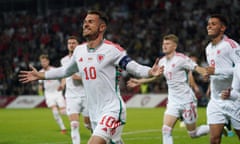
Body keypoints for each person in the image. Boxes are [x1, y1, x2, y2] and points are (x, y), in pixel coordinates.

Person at [19, 10, 164, 144]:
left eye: (90, 21)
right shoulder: (79, 51)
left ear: (102, 27)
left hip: (112, 109)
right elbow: (65, 71)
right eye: (85, 21)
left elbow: (135, 68)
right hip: (94, 112)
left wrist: (150, 72)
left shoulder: (112, 50)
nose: (85, 24)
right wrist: (40, 75)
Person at [127, 34, 209, 144]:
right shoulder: (162, 61)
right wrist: (139, 81)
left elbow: (196, 68)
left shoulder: (182, 59)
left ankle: (216, 127)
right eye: (163, 44)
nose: (164, 46)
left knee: (193, 134)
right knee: (166, 130)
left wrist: (205, 73)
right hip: (173, 101)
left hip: (187, 101)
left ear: (174, 46)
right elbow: (157, 78)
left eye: (167, 44)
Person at [205, 14, 240, 144]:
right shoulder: (208, 48)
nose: (209, 26)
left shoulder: (231, 45)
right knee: (214, 139)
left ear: (222, 28)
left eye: (214, 24)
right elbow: (214, 70)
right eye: (209, 23)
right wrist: (209, 79)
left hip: (234, 99)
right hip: (216, 99)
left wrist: (217, 71)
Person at [60, 35, 91, 144]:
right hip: (71, 96)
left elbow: (91, 77)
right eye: (69, 43)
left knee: (88, 125)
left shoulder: (86, 58)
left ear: (78, 45)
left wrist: (79, 78)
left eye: (74, 43)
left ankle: (99, 139)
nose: (71, 45)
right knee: (74, 125)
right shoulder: (64, 60)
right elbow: (64, 75)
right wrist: (62, 84)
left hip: (85, 95)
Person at [38, 54, 67, 134]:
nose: (43, 63)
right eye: (42, 62)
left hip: (57, 93)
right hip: (49, 94)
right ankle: (63, 128)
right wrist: (40, 89)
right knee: (55, 111)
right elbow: (40, 84)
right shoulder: (40, 72)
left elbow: (64, 77)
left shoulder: (54, 70)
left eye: (44, 61)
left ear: (48, 61)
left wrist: (62, 85)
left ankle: (75, 115)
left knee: (63, 112)